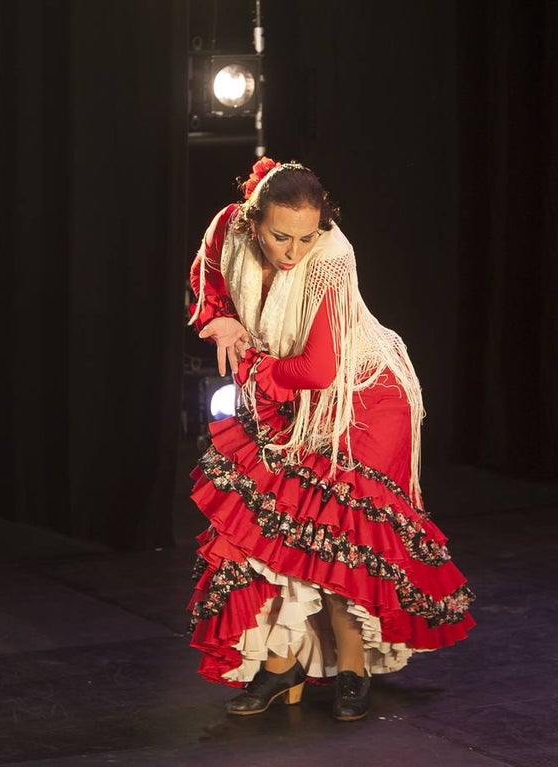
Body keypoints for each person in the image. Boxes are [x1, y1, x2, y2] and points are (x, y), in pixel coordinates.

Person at [185, 157, 475, 722]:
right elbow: (207, 279)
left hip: (363, 398)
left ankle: (352, 667)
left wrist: (254, 369)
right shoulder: (227, 228)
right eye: (280, 236)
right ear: (252, 220)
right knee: (274, 528)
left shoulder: (332, 261)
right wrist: (218, 318)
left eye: (306, 237)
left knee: (339, 533)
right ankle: (282, 664)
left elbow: (318, 369)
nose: (293, 251)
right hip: (292, 396)